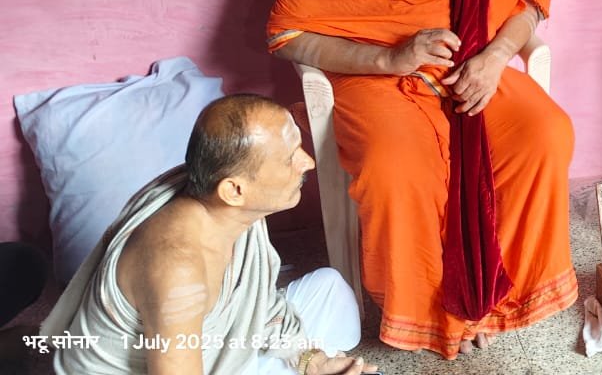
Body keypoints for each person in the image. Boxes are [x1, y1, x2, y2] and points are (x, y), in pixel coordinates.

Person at [266, 0, 575, 359]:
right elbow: (290, 36)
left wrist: (495, 58)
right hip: (377, 78)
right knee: (397, 165)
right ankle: (431, 313)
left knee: (545, 134)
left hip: (475, 65)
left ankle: (497, 294)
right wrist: (391, 58)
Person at [41, 95, 371, 375]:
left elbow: (258, 303)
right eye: (289, 159)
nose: (308, 162)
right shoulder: (177, 266)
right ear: (234, 190)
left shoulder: (232, 202)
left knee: (333, 291)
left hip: (216, 350)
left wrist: (312, 360)